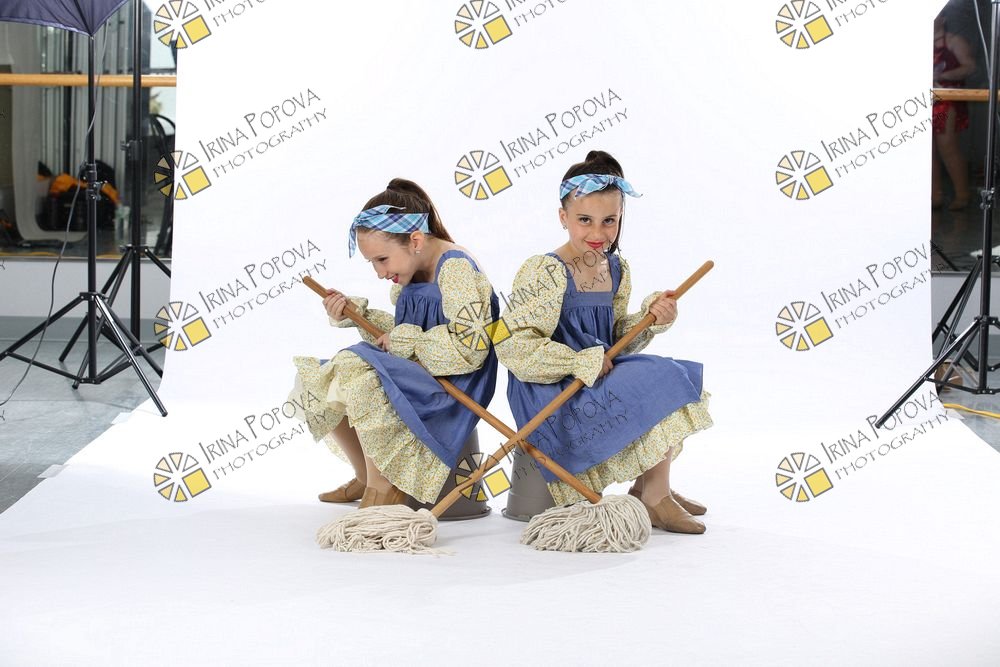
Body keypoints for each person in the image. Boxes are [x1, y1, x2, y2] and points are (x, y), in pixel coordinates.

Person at [495, 151, 712, 534]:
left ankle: (650, 486)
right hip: (552, 387)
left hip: (596, 375)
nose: (598, 233)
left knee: (669, 372)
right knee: (656, 377)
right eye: (585, 220)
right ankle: (655, 498)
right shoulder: (545, 270)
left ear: (620, 218)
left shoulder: (615, 268)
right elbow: (513, 346)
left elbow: (614, 344)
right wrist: (577, 362)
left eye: (609, 221)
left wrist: (650, 319)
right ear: (563, 217)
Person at [290, 178, 499, 508]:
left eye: (382, 259)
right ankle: (365, 476)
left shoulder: (455, 269)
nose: (378, 272)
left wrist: (404, 341)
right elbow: (400, 337)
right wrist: (357, 314)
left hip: (453, 382)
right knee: (318, 378)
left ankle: (384, 486)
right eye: (372, 262)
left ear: (415, 240)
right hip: (420, 371)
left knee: (356, 369)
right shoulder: (411, 272)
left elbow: (470, 349)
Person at [932, 14, 976, 210]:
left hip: (945, 101)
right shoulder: (918, 43)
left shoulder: (953, 41)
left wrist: (942, 75)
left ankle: (962, 195)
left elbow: (970, 67)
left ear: (942, 18)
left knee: (947, 146)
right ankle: (935, 196)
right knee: (927, 150)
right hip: (924, 102)